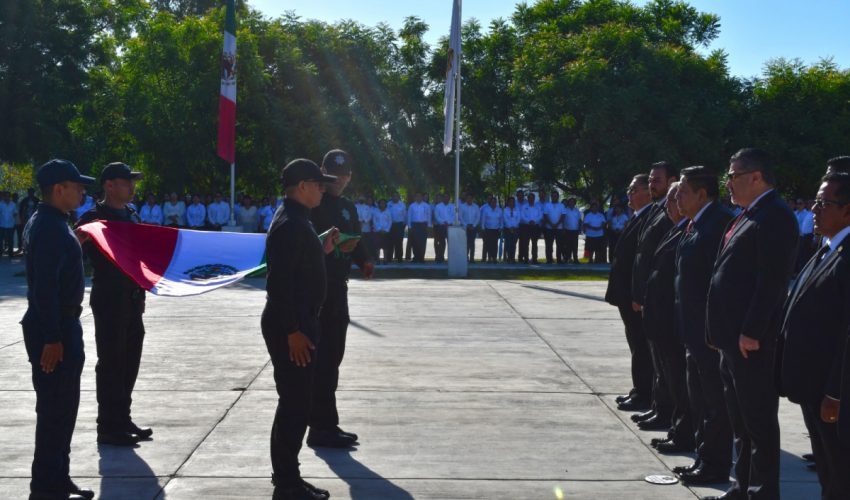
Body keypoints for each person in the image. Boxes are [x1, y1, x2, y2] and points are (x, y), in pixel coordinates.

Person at [704, 148, 799, 500]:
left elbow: (771, 282)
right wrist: (717, 332)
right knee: (741, 423)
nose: (727, 183)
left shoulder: (775, 216)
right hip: (732, 340)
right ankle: (741, 487)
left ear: (756, 177)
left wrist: (752, 331)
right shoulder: (748, 215)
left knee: (758, 424)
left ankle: (761, 493)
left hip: (751, 343)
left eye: (733, 175)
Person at [262, 158, 337, 500]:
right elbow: (278, 285)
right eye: (318, 184)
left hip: (298, 320)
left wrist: (321, 249)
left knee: (297, 402)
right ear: (302, 186)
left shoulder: (297, 219)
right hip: (291, 325)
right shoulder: (291, 224)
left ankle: (289, 477)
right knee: (294, 404)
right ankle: (287, 483)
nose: (323, 189)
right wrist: (292, 331)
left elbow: (296, 268)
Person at [22, 159, 96, 500]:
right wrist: (53, 338)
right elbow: (45, 288)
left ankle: (56, 479)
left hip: (58, 324)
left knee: (61, 408)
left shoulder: (51, 222)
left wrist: (73, 243)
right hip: (55, 327)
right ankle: (47, 486)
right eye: (77, 186)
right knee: (56, 409)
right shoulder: (51, 227)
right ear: (58, 189)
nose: (82, 192)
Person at [777, 171, 850, 500]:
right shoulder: (827, 248)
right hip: (812, 386)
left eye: (823, 203)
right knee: (827, 470)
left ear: (847, 209)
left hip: (832, 391)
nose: (814, 210)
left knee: (840, 472)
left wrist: (835, 393)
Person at [76, 162, 152, 447]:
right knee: (111, 362)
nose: (132, 187)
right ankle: (107, 425)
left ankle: (123, 417)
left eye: (133, 182)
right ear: (109, 185)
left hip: (131, 298)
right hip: (109, 298)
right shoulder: (93, 218)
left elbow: (138, 258)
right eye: (126, 182)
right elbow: (72, 252)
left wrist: (141, 294)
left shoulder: (132, 215)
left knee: (130, 360)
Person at [307, 149, 375, 449]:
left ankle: (326, 423)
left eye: (345, 175)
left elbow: (356, 239)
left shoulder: (347, 207)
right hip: (318, 288)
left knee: (333, 356)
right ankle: (320, 427)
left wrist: (364, 260)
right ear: (323, 172)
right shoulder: (313, 203)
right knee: (322, 359)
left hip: (338, 287)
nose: (340, 180)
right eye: (334, 175)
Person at [672, 166, 734, 485]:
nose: (677, 198)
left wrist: (711, 329)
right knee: (700, 398)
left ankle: (715, 464)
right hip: (693, 330)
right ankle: (703, 457)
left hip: (708, 333)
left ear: (702, 194)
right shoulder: (697, 222)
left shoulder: (718, 223)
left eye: (683, 191)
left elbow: (718, 283)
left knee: (714, 403)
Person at [640, 182, 694, 455]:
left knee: (680, 383)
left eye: (677, 198)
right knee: (668, 377)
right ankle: (675, 426)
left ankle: (683, 433)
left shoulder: (688, 229)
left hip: (674, 320)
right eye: (672, 200)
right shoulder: (675, 228)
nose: (672, 205)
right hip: (661, 318)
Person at [629, 162, 678, 431]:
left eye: (656, 180)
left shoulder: (671, 213)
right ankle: (660, 408)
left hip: (663, 302)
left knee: (668, 364)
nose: (651, 184)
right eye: (649, 180)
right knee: (658, 361)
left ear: (672, 181)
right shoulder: (658, 210)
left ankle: (667, 413)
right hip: (650, 297)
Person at [605, 174, 654, 411]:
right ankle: (639, 389)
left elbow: (643, 260)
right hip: (626, 295)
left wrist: (637, 294)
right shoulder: (637, 216)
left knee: (641, 346)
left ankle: (645, 393)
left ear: (648, 193)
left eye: (634, 190)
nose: (629, 195)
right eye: (629, 190)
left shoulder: (649, 217)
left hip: (634, 296)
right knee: (635, 344)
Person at [407, 192, 431, 263]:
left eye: (420, 196)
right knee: (414, 242)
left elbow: (429, 216)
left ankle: (421, 258)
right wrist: (409, 226)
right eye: (417, 196)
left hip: (423, 225)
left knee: (422, 242)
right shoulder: (412, 206)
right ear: (415, 197)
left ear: (422, 197)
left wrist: (429, 226)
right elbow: (409, 216)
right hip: (414, 225)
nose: (418, 198)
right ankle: (415, 257)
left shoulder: (426, 206)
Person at [543, 191, 565, 264]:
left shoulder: (561, 205)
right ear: (551, 197)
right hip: (549, 228)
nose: (554, 197)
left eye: (555, 196)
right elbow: (545, 216)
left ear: (558, 197)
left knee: (559, 245)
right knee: (549, 244)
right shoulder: (547, 205)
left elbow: (563, 216)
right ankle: (549, 259)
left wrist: (557, 224)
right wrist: (551, 224)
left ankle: (559, 259)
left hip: (559, 228)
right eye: (553, 196)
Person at [521, 193, 543, 264]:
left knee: (534, 244)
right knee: (525, 244)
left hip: (535, 226)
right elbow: (522, 216)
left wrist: (534, 221)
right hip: (526, 226)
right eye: (529, 197)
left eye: (532, 197)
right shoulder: (524, 206)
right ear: (528, 198)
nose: (531, 199)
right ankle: (526, 259)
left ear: (534, 198)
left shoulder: (538, 207)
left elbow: (540, 215)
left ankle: (534, 259)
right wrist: (528, 221)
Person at [480, 196, 502, 263]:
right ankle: (489, 258)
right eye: (492, 202)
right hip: (488, 229)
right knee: (488, 244)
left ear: (496, 202)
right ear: (490, 203)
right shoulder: (486, 209)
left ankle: (494, 258)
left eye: (495, 202)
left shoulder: (499, 210)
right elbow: (483, 219)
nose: (493, 203)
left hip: (496, 230)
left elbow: (501, 220)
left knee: (495, 244)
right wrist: (483, 228)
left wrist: (501, 227)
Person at [433, 194, 454, 263]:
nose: (446, 199)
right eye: (445, 197)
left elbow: (453, 216)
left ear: (449, 198)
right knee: (442, 242)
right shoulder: (438, 206)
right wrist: (442, 222)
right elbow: (437, 216)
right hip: (441, 226)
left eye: (447, 197)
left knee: (450, 243)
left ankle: (451, 258)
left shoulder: (452, 206)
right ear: (443, 198)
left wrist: (449, 222)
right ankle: (440, 257)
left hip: (450, 226)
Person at [459, 194, 480, 262]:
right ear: (466, 199)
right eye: (468, 198)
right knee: (465, 243)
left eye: (470, 198)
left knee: (472, 243)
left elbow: (478, 217)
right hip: (465, 227)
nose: (469, 200)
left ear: (472, 199)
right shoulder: (462, 206)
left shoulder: (476, 207)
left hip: (473, 227)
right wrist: (466, 225)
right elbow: (460, 217)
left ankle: (472, 258)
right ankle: (465, 257)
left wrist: (474, 225)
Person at [387, 192, 406, 263]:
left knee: (399, 242)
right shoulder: (388, 204)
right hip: (390, 224)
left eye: (396, 196)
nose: (395, 197)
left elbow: (405, 215)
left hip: (399, 225)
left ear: (399, 197)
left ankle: (399, 258)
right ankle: (389, 258)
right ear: (391, 197)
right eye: (394, 196)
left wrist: (404, 225)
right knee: (390, 242)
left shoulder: (402, 204)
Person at [372, 199, 392, 264]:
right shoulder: (375, 211)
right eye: (381, 203)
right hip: (377, 231)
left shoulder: (388, 212)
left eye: (383, 203)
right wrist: (379, 229)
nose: (382, 204)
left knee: (385, 247)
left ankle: (385, 260)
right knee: (377, 247)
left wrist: (386, 230)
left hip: (386, 232)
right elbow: (374, 221)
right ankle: (378, 260)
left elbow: (390, 221)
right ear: (379, 204)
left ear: (385, 204)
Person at [562, 197, 581, 263]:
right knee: (568, 245)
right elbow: (563, 220)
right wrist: (563, 228)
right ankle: (567, 258)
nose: (571, 203)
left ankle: (575, 259)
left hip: (575, 230)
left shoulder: (577, 210)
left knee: (575, 245)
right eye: (570, 201)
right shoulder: (565, 210)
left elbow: (579, 220)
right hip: (567, 230)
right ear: (568, 203)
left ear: (575, 203)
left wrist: (579, 229)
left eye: (573, 202)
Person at [502, 196, 521, 263]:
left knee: (513, 244)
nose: (512, 203)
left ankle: (512, 258)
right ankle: (508, 257)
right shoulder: (505, 210)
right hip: (508, 229)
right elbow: (505, 219)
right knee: (508, 244)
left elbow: (518, 218)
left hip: (515, 229)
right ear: (508, 202)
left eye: (513, 201)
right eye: (511, 201)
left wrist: (514, 226)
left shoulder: (517, 209)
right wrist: (510, 227)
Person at [0, 191, 17, 257]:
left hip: (10, 224)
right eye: (6, 196)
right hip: (2, 224)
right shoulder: (0, 204)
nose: (7, 197)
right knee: (0, 239)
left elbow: (15, 212)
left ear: (10, 197)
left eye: (8, 196)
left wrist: (12, 217)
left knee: (10, 239)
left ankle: (10, 253)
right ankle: (0, 252)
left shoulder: (13, 204)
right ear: (4, 196)